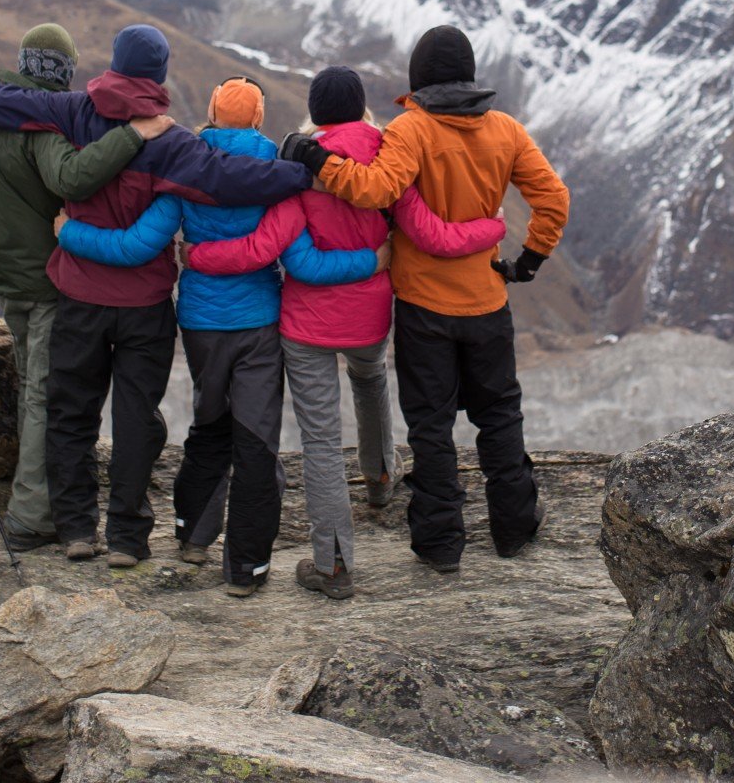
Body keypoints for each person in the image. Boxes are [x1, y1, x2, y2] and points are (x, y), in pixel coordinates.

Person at [0, 25, 311, 567]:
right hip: (144, 306)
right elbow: (229, 180)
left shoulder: (75, 112)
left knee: (70, 412)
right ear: (160, 75)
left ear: (114, 64)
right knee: (133, 419)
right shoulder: (171, 141)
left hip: (78, 294)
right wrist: (300, 172)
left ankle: (77, 528)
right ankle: (127, 537)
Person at [187, 65, 508, 599]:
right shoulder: (387, 157)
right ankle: (381, 477)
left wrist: (196, 255)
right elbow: (427, 230)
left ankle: (333, 565)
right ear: (360, 107)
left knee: (319, 441)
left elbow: (291, 257)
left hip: (307, 325)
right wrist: (490, 227)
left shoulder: (298, 165)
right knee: (370, 381)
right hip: (369, 315)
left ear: (314, 111)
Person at [55, 76, 382, 597]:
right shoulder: (278, 173)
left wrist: (68, 232)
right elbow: (278, 252)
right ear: (258, 119)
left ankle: (192, 537)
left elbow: (140, 244)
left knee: (209, 427)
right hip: (258, 322)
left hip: (202, 324)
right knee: (255, 439)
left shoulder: (185, 170)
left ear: (210, 111)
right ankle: (246, 569)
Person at [279, 27, 570, 573]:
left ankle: (440, 545)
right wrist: (529, 260)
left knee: (431, 428)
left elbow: (374, 190)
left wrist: (317, 162)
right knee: (501, 417)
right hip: (486, 302)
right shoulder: (505, 130)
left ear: (418, 78)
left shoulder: (410, 130)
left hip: (423, 308)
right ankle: (514, 527)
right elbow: (552, 197)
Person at [0, 23, 174, 552]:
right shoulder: (40, 126)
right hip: (48, 281)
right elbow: (72, 179)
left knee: (40, 392)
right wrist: (132, 136)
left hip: (6, 276)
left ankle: (56, 510)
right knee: (47, 397)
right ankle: (35, 516)